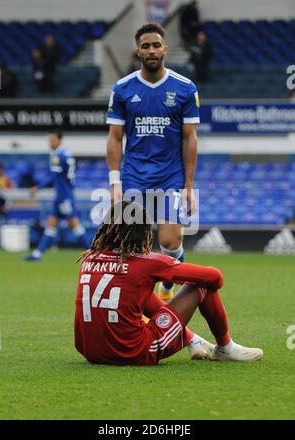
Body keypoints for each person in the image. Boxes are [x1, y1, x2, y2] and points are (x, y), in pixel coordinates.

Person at [75, 201, 263, 365]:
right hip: (132, 352)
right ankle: (225, 348)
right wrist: (174, 274)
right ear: (143, 231)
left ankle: (194, 340)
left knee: (137, 290)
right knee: (202, 285)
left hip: (90, 352)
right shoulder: (148, 262)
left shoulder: (90, 259)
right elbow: (215, 277)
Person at [106, 22, 200, 302]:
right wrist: (115, 182)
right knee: (133, 246)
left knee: (170, 242)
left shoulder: (185, 88)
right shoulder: (122, 89)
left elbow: (190, 139)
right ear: (137, 51)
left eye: (156, 45)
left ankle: (168, 286)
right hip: (134, 174)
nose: (151, 50)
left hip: (170, 175)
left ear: (165, 48)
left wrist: (189, 185)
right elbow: (114, 138)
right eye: (145, 46)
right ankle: (141, 305)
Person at [24, 129, 89, 261]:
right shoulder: (66, 153)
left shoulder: (58, 155)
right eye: (49, 140)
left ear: (59, 140)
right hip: (62, 194)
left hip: (64, 196)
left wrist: (37, 188)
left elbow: (53, 176)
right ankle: (38, 253)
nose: (50, 142)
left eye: (53, 140)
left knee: (74, 224)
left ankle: (91, 251)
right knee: (51, 224)